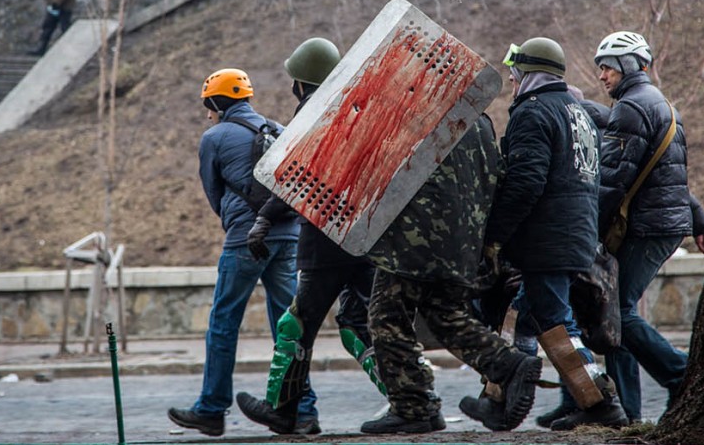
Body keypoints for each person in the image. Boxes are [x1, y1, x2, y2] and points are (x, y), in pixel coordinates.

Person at [551, 30, 704, 428]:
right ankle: (627, 411)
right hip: (663, 225)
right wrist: (702, 222)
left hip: (648, 228)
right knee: (611, 316)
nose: (602, 76)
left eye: (607, 67)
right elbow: (669, 178)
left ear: (627, 66)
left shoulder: (632, 108)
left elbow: (610, 183)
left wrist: (584, 233)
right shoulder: (659, 105)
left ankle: (682, 375)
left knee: (619, 315)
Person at [461, 38, 627, 431]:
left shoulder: (533, 113)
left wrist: (495, 235)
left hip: (547, 240)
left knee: (555, 319)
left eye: (516, 75)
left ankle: (600, 401)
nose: (512, 84)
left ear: (528, 74)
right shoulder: (577, 111)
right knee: (520, 317)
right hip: (575, 234)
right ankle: (498, 398)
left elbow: (525, 183)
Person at [361, 113, 543, 435]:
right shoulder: (481, 119)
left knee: (386, 319)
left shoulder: (417, 115)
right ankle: (508, 364)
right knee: (444, 315)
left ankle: (412, 407)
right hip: (462, 241)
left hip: (415, 239)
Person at [236, 38, 382, 436]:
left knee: (295, 324)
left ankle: (281, 409)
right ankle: (412, 399)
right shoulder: (353, 109)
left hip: (324, 242)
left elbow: (298, 181)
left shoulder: (312, 115)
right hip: (363, 238)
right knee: (359, 323)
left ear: (302, 83)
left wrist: (263, 219)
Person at [167, 69, 304, 437]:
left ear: (215, 102)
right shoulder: (275, 127)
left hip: (245, 239)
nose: (206, 113)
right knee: (289, 328)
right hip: (289, 237)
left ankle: (212, 409)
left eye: (206, 105)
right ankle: (302, 411)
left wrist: (235, 223)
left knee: (224, 322)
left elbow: (214, 193)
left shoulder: (214, 137)